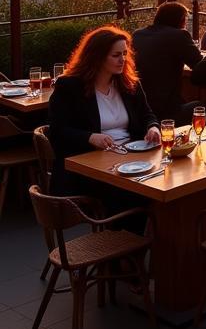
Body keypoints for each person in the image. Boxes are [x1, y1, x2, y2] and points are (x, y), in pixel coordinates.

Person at [48, 26, 160, 200]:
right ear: (97, 57)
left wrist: (153, 128)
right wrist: (90, 137)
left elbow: (147, 115)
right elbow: (57, 131)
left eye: (124, 54)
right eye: (116, 55)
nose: (122, 60)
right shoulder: (69, 86)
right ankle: (129, 225)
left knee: (159, 181)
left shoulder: (129, 84)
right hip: (90, 165)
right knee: (138, 194)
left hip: (131, 158)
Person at [131, 1, 203, 123]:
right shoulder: (179, 36)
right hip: (166, 109)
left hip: (137, 106)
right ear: (180, 20)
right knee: (202, 107)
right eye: (185, 20)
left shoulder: (137, 34)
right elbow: (200, 66)